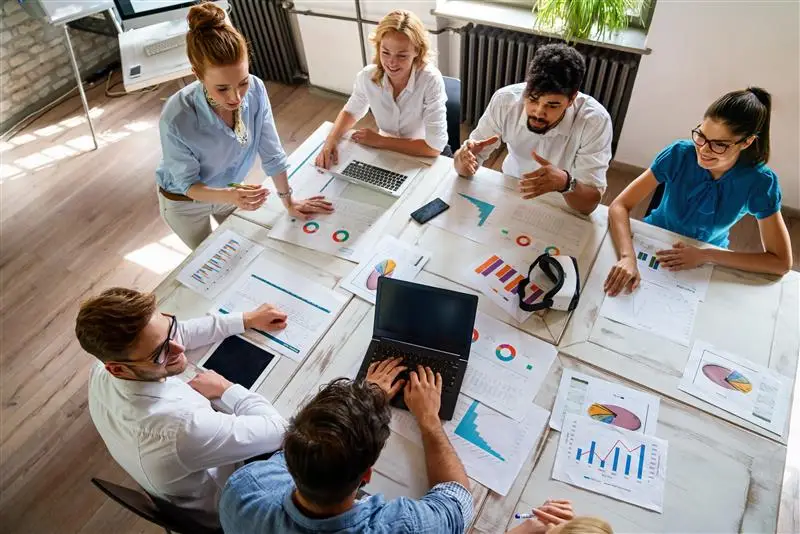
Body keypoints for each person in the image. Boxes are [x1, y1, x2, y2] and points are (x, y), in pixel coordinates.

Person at [76, 287, 290, 527]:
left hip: (183, 471)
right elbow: (279, 430)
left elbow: (176, 336)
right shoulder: (181, 430)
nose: (178, 349)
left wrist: (246, 319)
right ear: (118, 369)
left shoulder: (102, 367)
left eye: (170, 329)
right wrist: (227, 389)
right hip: (229, 504)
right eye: (159, 353)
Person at [219, 359, 474, 533]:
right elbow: (458, 499)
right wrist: (429, 419)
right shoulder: (403, 525)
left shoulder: (244, 489)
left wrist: (364, 403)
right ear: (366, 476)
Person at [156, 1, 333, 249]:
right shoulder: (177, 118)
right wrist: (230, 196)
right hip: (185, 202)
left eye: (242, 82)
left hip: (229, 190)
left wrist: (289, 201)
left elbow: (271, 153)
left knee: (241, 248)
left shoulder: (257, 90)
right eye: (222, 88)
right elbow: (187, 185)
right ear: (197, 74)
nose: (236, 98)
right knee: (207, 259)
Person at [604, 87, 792, 296]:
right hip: (653, 239)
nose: (703, 150)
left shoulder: (760, 182)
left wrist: (705, 255)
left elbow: (781, 262)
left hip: (708, 256)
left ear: (747, 142)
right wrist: (627, 256)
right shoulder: (679, 154)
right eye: (701, 136)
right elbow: (619, 205)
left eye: (719, 145)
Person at [453, 43, 612, 215]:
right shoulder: (505, 101)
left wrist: (566, 183)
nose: (538, 112)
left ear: (572, 99)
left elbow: (588, 205)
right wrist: (463, 160)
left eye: (552, 105)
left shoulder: (595, 122)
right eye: (533, 99)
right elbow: (463, 169)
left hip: (563, 204)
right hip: (511, 187)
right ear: (527, 87)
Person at [315, 9, 449, 168]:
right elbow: (351, 111)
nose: (392, 63)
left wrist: (380, 141)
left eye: (402, 55)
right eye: (386, 52)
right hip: (386, 151)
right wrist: (332, 139)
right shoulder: (367, 77)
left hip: (424, 155)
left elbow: (434, 147)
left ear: (417, 51)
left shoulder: (430, 80)